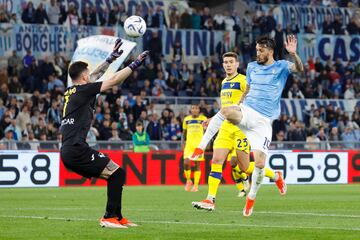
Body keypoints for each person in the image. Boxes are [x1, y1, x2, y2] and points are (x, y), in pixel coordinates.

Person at [191, 35, 303, 216]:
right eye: (256, 50)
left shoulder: (280, 66)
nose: (257, 53)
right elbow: (247, 93)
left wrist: (294, 54)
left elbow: (299, 68)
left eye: (260, 50)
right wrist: (230, 111)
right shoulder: (248, 69)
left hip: (263, 121)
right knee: (217, 159)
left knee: (253, 165)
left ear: (270, 51)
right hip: (243, 115)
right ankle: (209, 197)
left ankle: (263, 187)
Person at [60, 38, 149, 228]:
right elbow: (114, 80)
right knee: (117, 174)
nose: (90, 76)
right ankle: (109, 217)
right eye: (88, 74)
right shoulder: (83, 90)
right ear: (84, 77)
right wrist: (134, 64)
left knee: (117, 174)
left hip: (70, 150)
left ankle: (116, 216)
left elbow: (94, 75)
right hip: (76, 149)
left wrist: (110, 59)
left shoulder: (72, 91)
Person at [192, 52, 280, 211]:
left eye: (231, 62)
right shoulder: (224, 81)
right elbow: (224, 107)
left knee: (245, 167)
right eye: (225, 62)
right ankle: (210, 199)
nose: (228, 65)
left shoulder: (242, 79)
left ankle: (275, 176)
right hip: (225, 127)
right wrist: (213, 119)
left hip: (241, 129)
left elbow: (252, 93)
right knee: (217, 160)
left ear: (237, 64)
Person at [182, 104, 207, 192]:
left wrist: (206, 144)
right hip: (189, 145)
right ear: (191, 110)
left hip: (199, 146)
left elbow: (207, 132)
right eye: (193, 108)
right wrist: (182, 144)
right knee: (186, 163)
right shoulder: (186, 119)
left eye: (196, 108)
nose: (195, 110)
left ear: (199, 110)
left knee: (197, 165)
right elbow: (183, 133)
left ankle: (196, 185)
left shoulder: (204, 119)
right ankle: (188, 180)